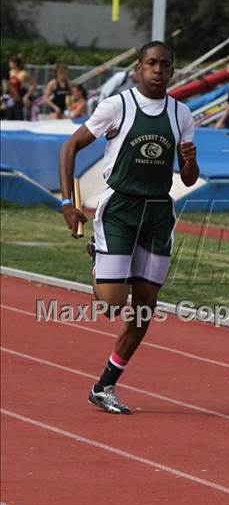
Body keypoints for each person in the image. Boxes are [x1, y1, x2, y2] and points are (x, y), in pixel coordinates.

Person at [59, 41, 199, 414]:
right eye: (151, 64)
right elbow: (70, 147)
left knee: (145, 308)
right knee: (112, 303)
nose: (157, 71)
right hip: (120, 207)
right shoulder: (117, 106)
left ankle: (105, 386)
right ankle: (98, 261)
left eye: (164, 65)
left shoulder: (182, 114)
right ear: (138, 68)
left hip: (157, 212)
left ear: (172, 71)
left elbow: (187, 177)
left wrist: (189, 161)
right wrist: (67, 203)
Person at [7, 55, 37, 120]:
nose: (9, 64)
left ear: (15, 63)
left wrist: (27, 96)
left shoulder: (23, 73)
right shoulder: (10, 72)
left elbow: (34, 84)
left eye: (10, 62)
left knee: (20, 118)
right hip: (13, 97)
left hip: (21, 97)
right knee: (10, 117)